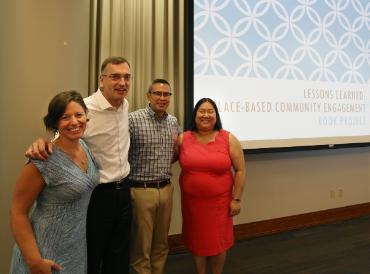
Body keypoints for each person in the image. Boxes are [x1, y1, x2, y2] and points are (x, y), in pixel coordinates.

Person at [25, 56, 133, 274]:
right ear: (102, 80)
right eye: (115, 77)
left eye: (126, 77)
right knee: (93, 256)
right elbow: (62, 135)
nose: (122, 82)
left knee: (119, 256)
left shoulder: (125, 104)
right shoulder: (86, 109)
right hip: (96, 195)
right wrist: (41, 144)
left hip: (124, 190)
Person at [10, 91, 100, 274]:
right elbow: (17, 212)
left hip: (75, 250)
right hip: (44, 253)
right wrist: (35, 262)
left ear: (86, 116)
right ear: (55, 122)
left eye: (79, 115)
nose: (74, 122)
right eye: (65, 117)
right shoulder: (43, 158)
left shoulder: (83, 146)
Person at [177, 98, 246, 274]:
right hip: (192, 205)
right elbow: (167, 159)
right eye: (202, 111)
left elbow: (240, 170)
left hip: (219, 205)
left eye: (210, 111)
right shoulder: (183, 138)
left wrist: (236, 199)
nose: (206, 115)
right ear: (195, 115)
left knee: (218, 242)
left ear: (216, 115)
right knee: (196, 240)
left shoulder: (229, 138)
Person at [128, 79, 181, 274]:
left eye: (166, 94)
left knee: (161, 243)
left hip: (166, 189)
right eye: (157, 93)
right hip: (141, 191)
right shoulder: (133, 120)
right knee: (141, 246)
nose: (162, 98)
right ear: (148, 95)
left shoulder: (173, 122)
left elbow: (174, 153)